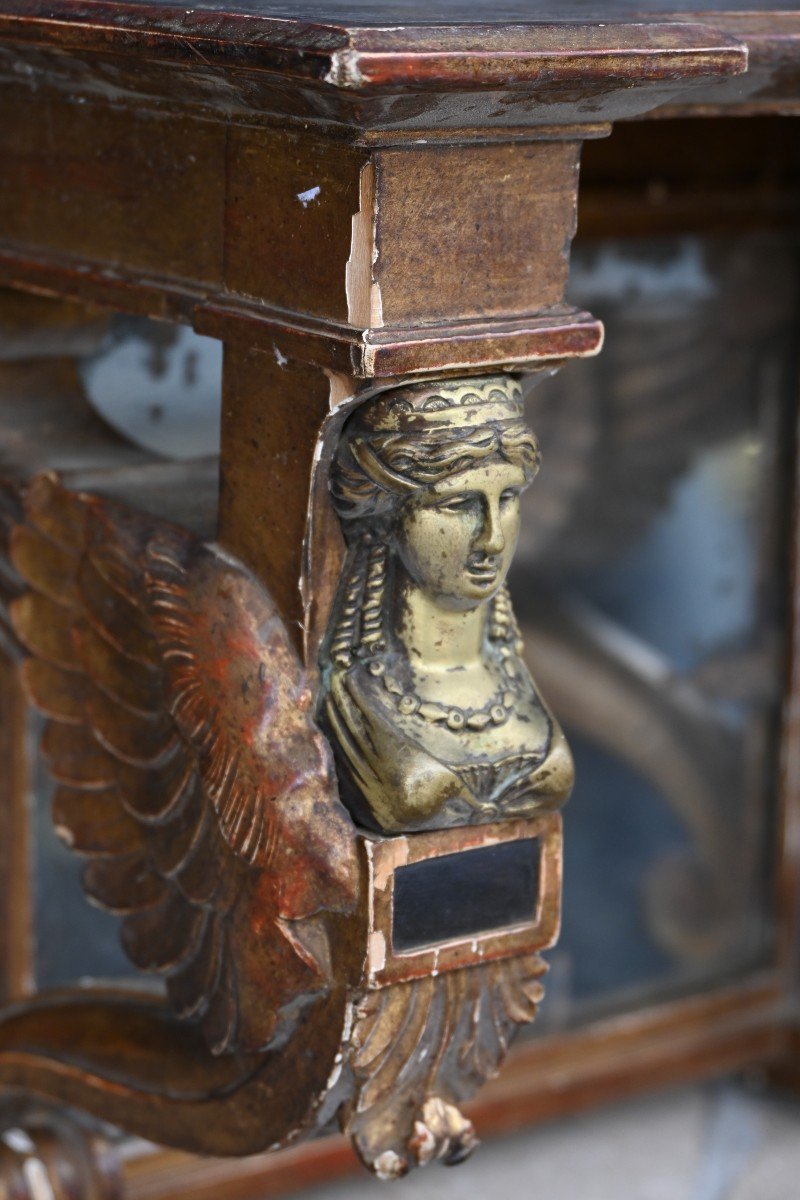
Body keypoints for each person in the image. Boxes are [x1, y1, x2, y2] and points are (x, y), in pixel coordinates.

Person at [322, 374, 573, 834]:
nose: (492, 538)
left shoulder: (509, 669)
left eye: (509, 498)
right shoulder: (353, 696)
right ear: (389, 516)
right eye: (459, 504)